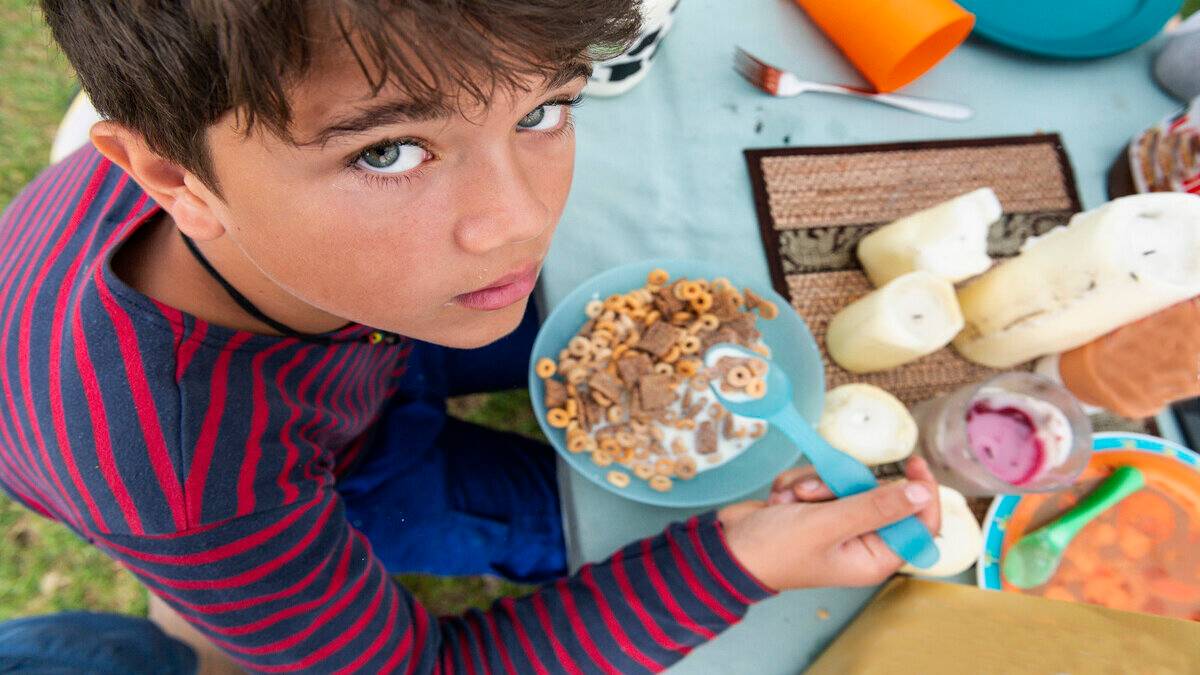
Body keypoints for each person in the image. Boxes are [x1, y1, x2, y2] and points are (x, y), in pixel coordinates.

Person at [0, 2, 941, 672]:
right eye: (386, 151)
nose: (520, 223)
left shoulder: (265, 194)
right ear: (174, 181)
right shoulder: (195, 488)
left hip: (351, 328)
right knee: (608, 519)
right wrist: (740, 560)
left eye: (543, 111)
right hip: (321, 454)